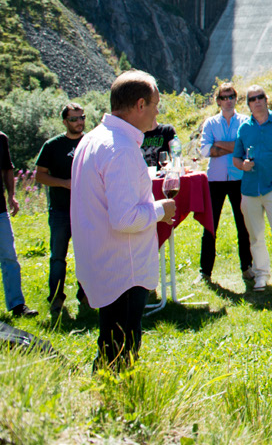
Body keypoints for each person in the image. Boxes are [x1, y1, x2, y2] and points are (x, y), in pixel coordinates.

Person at [71, 71, 176, 368]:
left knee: (110, 342)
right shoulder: (121, 149)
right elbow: (125, 218)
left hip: (102, 258)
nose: (158, 111)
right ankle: (118, 408)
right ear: (140, 104)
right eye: (156, 103)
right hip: (123, 267)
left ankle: (106, 401)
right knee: (122, 349)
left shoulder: (94, 139)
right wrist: (161, 210)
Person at [233, 86, 272, 293]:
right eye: (253, 99)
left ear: (266, 100)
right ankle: (261, 275)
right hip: (250, 189)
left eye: (260, 97)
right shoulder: (244, 128)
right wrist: (243, 165)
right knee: (255, 236)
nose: (257, 101)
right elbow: (236, 157)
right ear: (249, 104)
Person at [34, 102, 88, 315]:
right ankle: (56, 299)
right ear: (65, 122)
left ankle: (86, 296)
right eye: (74, 119)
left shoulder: (90, 142)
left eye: (81, 117)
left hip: (86, 210)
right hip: (60, 210)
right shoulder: (52, 145)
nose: (79, 122)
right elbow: (40, 175)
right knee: (58, 257)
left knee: (87, 254)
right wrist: (64, 183)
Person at [198, 82, 253, 284]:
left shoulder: (245, 121)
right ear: (218, 101)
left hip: (239, 179)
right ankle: (205, 272)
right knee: (210, 226)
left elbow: (246, 148)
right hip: (215, 181)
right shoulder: (210, 123)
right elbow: (204, 151)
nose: (228, 101)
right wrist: (233, 147)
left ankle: (247, 268)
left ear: (235, 99)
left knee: (243, 225)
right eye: (224, 97)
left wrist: (218, 144)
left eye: (231, 97)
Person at [0, 128, 36, 318]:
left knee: (10, 258)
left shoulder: (1, 138)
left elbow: (7, 168)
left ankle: (17, 305)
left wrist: (12, 196)